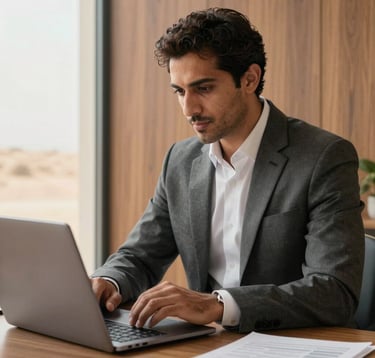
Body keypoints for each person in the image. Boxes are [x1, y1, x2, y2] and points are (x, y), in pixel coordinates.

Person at [91, 7, 364, 333]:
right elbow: (140, 255)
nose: (189, 109)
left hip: (291, 343)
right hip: (209, 344)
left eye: (203, 88)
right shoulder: (180, 160)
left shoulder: (323, 157)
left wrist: (218, 305)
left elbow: (333, 291)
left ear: (249, 79)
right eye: (180, 91)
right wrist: (108, 280)